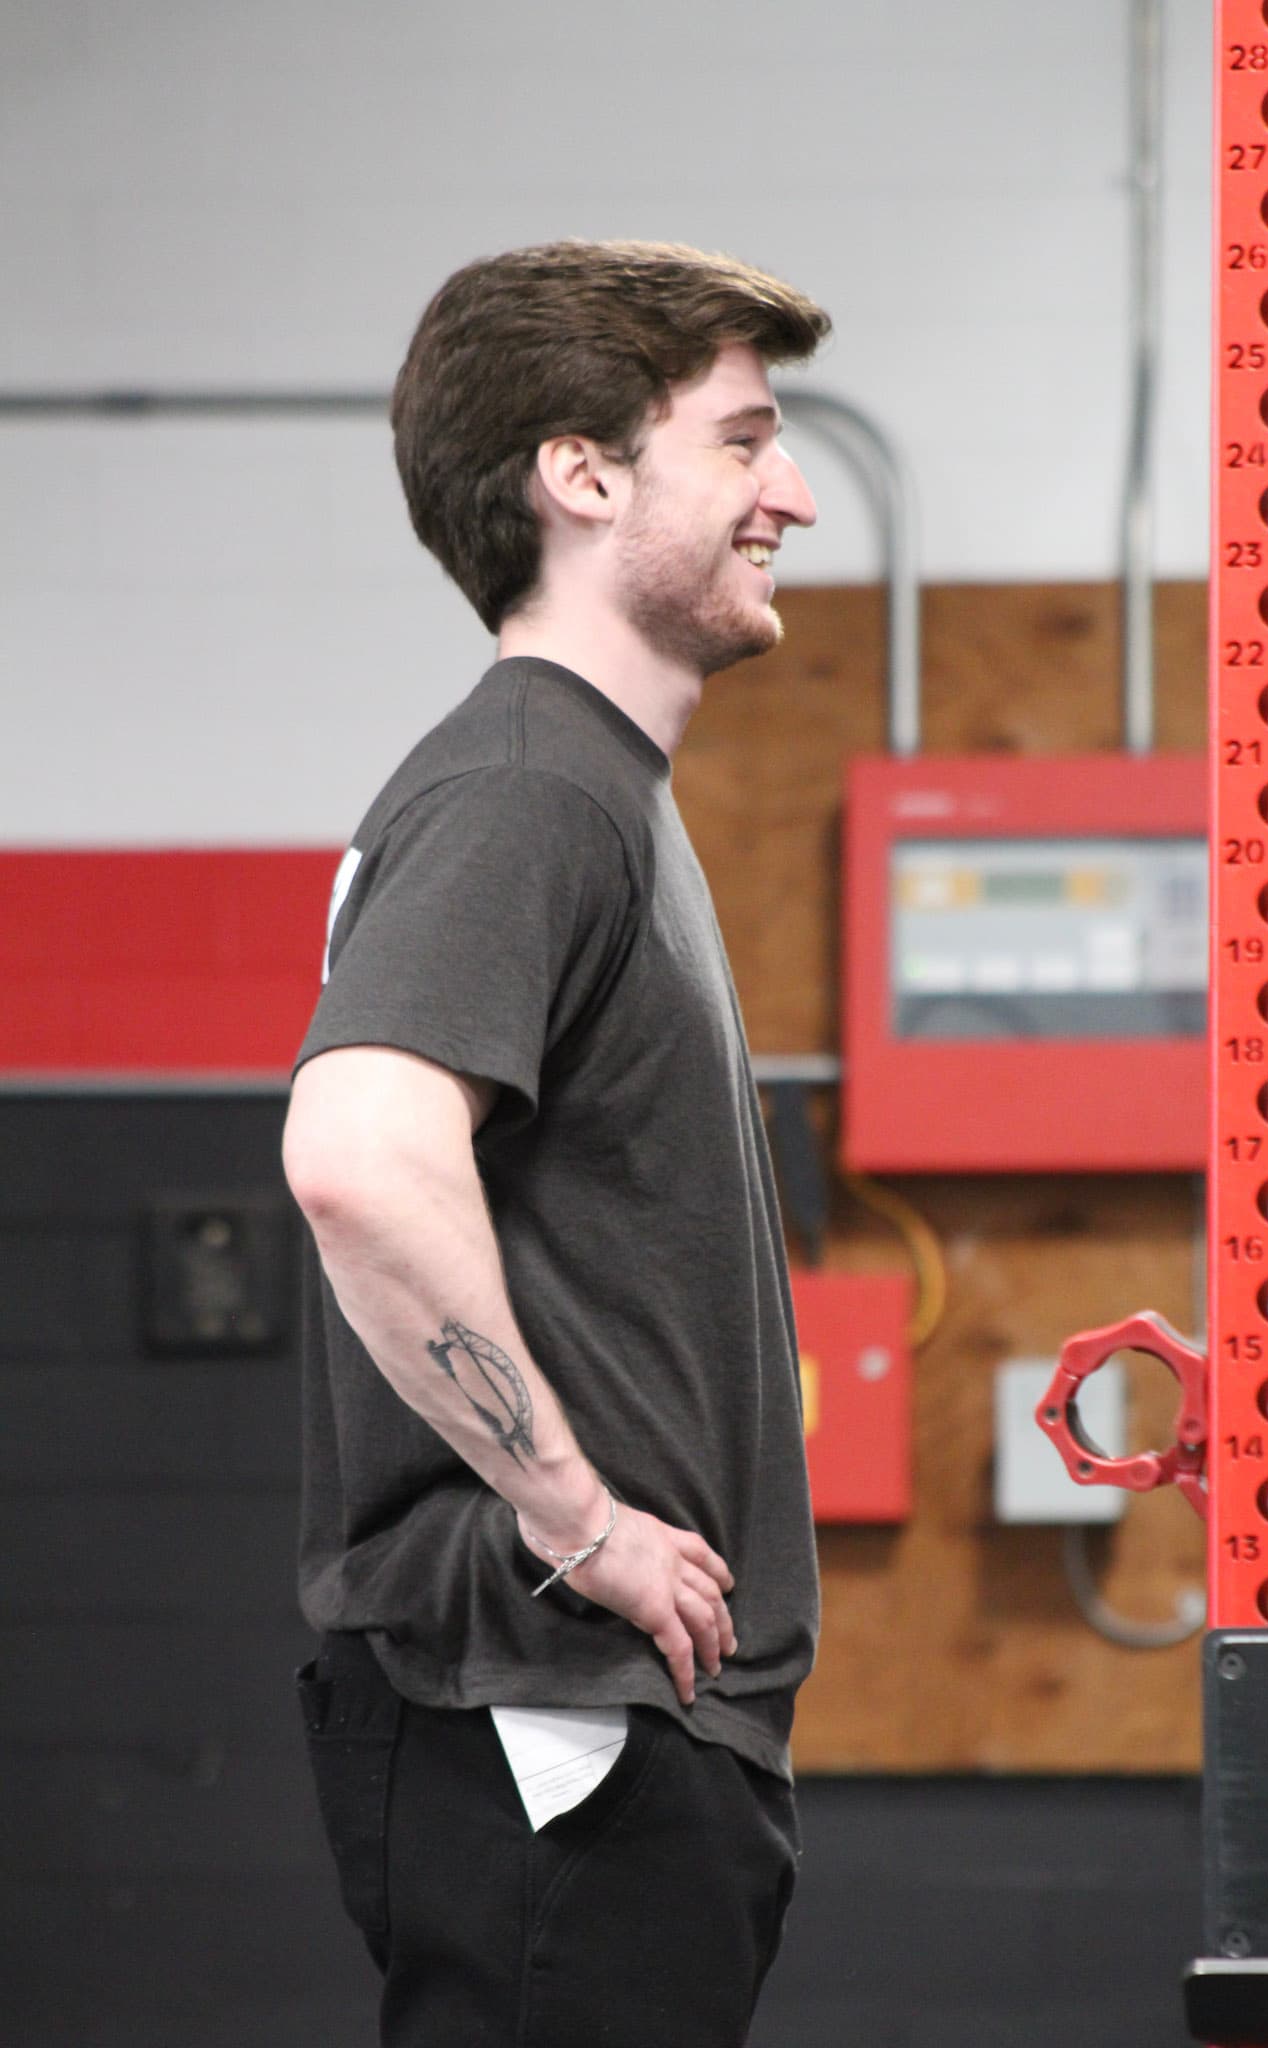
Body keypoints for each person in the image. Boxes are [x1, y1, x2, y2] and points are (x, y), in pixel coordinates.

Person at [282, 238, 831, 2048]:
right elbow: (359, 1156)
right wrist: (574, 1518)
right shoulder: (528, 786)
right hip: (558, 1716)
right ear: (582, 477)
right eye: (743, 444)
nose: (793, 495)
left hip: (609, 1727)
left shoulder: (590, 791)